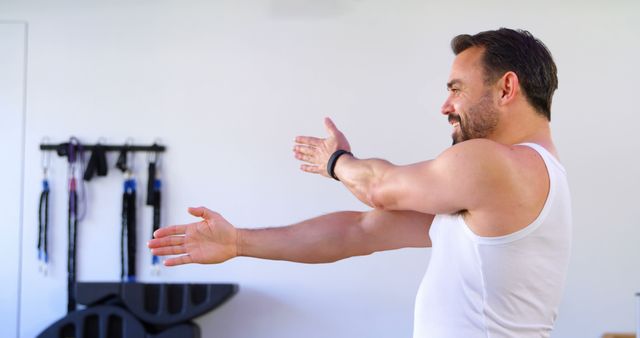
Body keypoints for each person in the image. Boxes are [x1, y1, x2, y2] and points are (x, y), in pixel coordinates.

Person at [148, 28, 572, 338]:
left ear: (507, 88)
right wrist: (238, 241)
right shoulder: (511, 183)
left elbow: (379, 188)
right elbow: (359, 231)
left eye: (457, 89)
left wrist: (336, 161)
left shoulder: (496, 165)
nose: (446, 105)